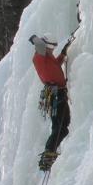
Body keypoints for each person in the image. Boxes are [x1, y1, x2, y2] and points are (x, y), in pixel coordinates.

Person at [30, 34, 72, 170]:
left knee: (64, 127)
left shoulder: (48, 58)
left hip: (59, 92)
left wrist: (63, 53)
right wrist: (38, 40)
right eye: (51, 47)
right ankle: (49, 152)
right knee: (58, 124)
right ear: (46, 46)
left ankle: (51, 151)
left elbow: (55, 67)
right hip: (55, 94)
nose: (53, 50)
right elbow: (37, 43)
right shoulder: (39, 57)